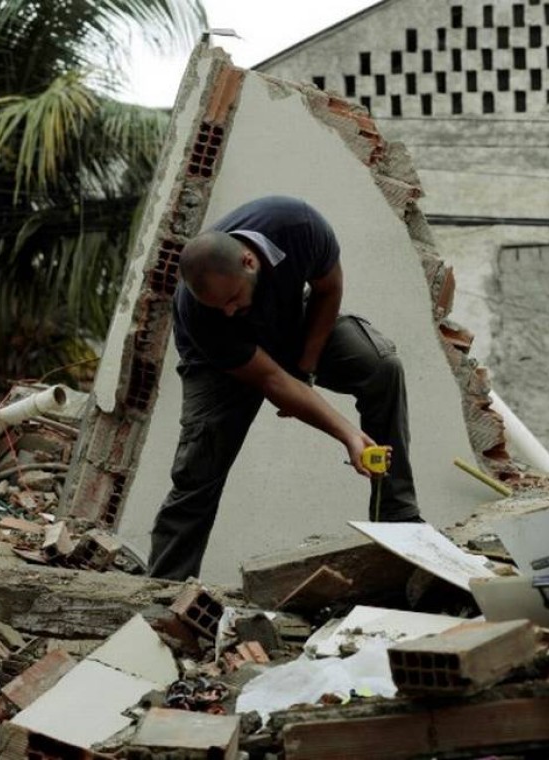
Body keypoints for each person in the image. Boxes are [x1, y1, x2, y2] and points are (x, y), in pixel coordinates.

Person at [148, 195, 419, 580]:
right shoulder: (202, 313)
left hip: (290, 322)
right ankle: (164, 589)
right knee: (199, 468)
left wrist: (306, 367)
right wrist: (349, 436)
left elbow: (329, 289)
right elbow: (272, 380)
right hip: (220, 363)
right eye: (217, 306)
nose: (227, 310)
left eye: (231, 299)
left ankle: (398, 517)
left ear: (249, 261)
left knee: (380, 365)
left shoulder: (298, 225)